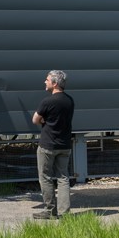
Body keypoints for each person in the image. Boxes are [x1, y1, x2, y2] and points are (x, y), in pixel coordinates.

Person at [32, 70, 75, 220]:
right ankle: (64, 213)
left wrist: (45, 120)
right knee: (63, 178)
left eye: (47, 80)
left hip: (47, 146)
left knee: (45, 177)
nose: (45, 82)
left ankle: (50, 211)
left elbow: (35, 120)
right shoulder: (69, 100)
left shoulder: (47, 101)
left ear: (55, 83)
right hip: (64, 145)